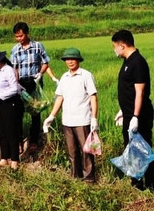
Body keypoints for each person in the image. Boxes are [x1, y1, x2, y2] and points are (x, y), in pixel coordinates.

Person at [43, 47, 98, 183]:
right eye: (67, 59)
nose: (70, 61)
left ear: (78, 60)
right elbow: (60, 98)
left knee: (86, 151)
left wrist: (94, 118)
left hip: (82, 119)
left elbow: (93, 97)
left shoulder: (85, 75)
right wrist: (51, 116)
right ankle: (75, 176)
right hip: (67, 120)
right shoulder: (64, 77)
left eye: (73, 59)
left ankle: (89, 179)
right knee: (72, 151)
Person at [112, 29, 154, 191]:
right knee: (131, 149)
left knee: (143, 150)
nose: (114, 50)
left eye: (115, 46)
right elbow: (128, 90)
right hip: (129, 113)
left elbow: (139, 92)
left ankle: (151, 187)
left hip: (140, 115)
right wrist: (122, 110)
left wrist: (136, 116)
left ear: (122, 45)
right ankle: (137, 185)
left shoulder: (138, 62)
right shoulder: (128, 61)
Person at [10, 22, 57, 150]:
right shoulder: (15, 49)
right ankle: (19, 141)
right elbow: (14, 68)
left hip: (35, 82)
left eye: (21, 36)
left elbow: (45, 62)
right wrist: (15, 83)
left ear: (27, 33)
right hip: (21, 83)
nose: (19, 39)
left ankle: (34, 140)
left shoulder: (37, 46)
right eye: (17, 37)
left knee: (35, 112)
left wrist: (40, 74)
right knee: (18, 113)